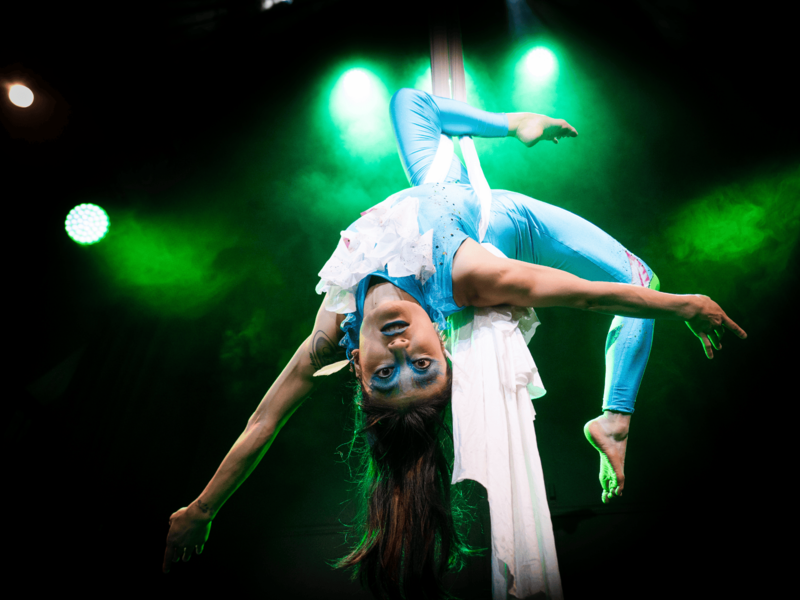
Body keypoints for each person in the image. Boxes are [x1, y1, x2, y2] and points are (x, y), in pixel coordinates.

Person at [163, 88, 746, 599]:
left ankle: (513, 119)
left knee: (407, 101)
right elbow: (591, 296)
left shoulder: (331, 331)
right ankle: (614, 421)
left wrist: (202, 508)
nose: (396, 352)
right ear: (442, 345)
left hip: (440, 187)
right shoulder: (471, 277)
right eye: (421, 365)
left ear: (358, 370)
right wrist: (686, 307)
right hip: (505, 221)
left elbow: (262, 422)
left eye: (387, 375)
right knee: (639, 281)